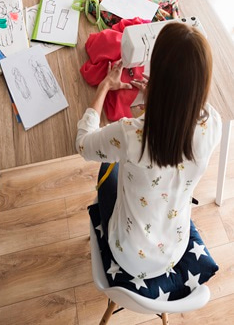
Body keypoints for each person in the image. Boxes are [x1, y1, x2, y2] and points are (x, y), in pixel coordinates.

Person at [76, 22, 221, 280]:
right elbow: (174, 138)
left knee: (108, 171)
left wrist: (105, 87)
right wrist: (159, 101)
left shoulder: (132, 135)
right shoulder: (214, 124)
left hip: (128, 255)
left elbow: (83, 143)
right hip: (174, 248)